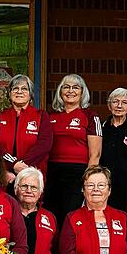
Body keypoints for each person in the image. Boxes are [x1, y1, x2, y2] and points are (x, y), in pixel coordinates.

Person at [46, 74, 101, 223]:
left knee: (71, 215)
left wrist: (88, 181)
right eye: (66, 87)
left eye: (75, 87)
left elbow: (95, 154)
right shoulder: (50, 117)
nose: (70, 91)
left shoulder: (90, 116)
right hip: (52, 171)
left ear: (82, 92)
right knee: (51, 214)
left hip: (78, 173)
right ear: (60, 91)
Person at [0, 75, 52, 186]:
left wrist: (22, 166)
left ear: (30, 95)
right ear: (10, 93)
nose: (19, 92)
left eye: (24, 89)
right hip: (5, 175)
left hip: (31, 175)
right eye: (15, 88)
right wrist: (12, 164)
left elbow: (44, 145)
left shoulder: (41, 116)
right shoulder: (1, 116)